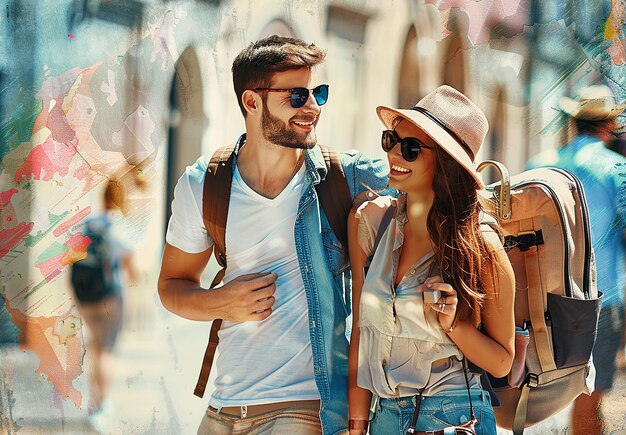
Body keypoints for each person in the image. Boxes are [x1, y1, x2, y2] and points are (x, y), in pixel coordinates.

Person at [157, 35, 390, 435]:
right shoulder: (204, 184)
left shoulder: (347, 178)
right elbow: (171, 287)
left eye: (318, 92)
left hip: (303, 409)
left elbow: (442, 192)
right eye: (297, 96)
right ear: (252, 101)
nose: (313, 107)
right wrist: (220, 303)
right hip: (223, 410)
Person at [347, 85, 515, 435]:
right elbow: (361, 336)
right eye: (391, 140)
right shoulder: (372, 223)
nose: (394, 153)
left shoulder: (480, 244)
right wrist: (357, 423)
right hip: (385, 418)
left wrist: (453, 324)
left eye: (409, 148)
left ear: (445, 164)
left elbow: (502, 362)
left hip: (452, 417)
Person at [526, 83, 626, 434]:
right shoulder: (618, 170)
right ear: (609, 126)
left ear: (573, 122)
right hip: (600, 298)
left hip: (541, 299)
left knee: (538, 392)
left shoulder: (539, 166)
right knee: (590, 396)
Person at [70, 179, 137, 423]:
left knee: (96, 348)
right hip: (110, 297)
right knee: (106, 350)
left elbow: (72, 259)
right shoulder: (121, 226)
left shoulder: (88, 225)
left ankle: (93, 402)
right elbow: (131, 269)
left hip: (86, 296)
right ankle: (101, 405)